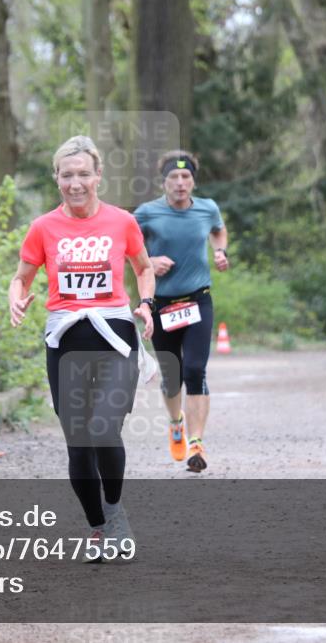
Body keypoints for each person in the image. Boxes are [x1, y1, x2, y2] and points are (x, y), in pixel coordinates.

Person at [9, 135, 155, 562]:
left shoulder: (121, 221)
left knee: (104, 429)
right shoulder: (43, 227)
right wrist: (16, 297)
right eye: (67, 175)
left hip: (114, 335)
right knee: (78, 441)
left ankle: (114, 513)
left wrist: (145, 304)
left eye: (83, 174)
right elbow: (21, 277)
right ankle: (98, 527)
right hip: (66, 339)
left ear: (98, 177)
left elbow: (143, 268)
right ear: (57, 178)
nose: (76, 182)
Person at [133, 150, 228, 473]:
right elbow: (127, 246)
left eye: (186, 177)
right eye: (173, 177)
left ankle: (197, 443)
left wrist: (220, 251)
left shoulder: (207, 208)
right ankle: (176, 423)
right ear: (164, 182)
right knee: (172, 376)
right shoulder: (147, 213)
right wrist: (149, 261)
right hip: (162, 306)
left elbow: (218, 229)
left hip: (198, 301)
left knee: (195, 370)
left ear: (193, 181)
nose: (180, 183)